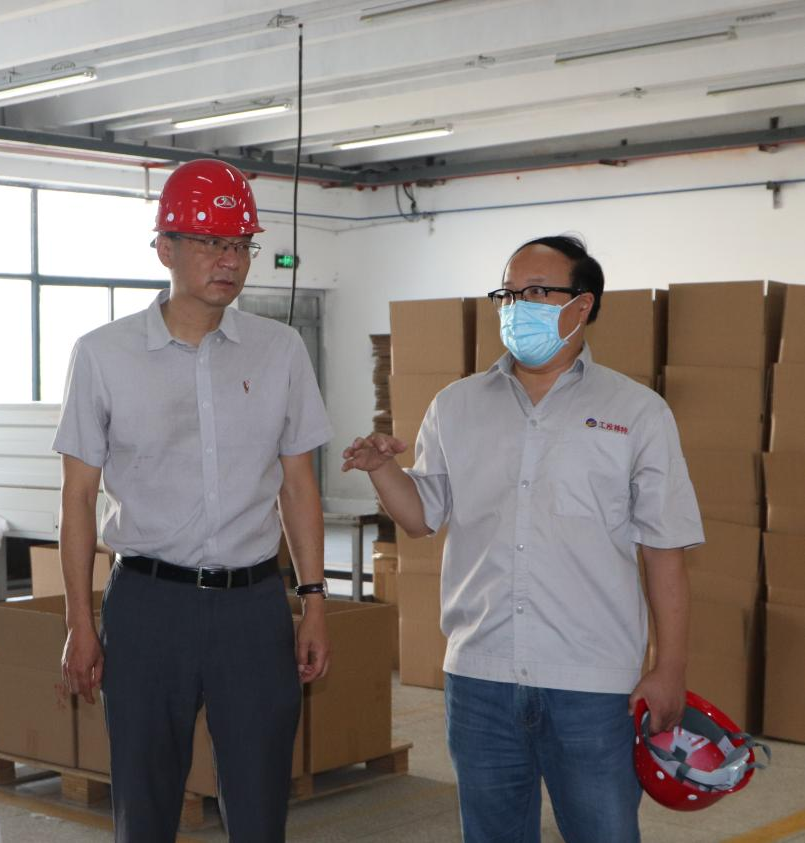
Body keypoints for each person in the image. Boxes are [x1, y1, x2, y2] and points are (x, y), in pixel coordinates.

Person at [343, 235, 703, 843]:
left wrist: (669, 667)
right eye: (508, 294)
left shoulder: (637, 412)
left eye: (537, 292)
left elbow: (664, 552)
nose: (516, 307)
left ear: (582, 304)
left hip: (593, 685)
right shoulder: (456, 405)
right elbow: (421, 517)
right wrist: (382, 469)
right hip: (480, 677)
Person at [54, 158, 333, 842]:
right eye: (209, 242)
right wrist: (80, 622)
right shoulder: (103, 354)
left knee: (260, 805)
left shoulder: (280, 350)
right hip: (149, 606)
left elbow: (299, 484)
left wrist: (314, 601)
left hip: (253, 607)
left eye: (240, 245)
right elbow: (78, 499)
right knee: (145, 805)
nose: (228, 260)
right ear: (164, 249)